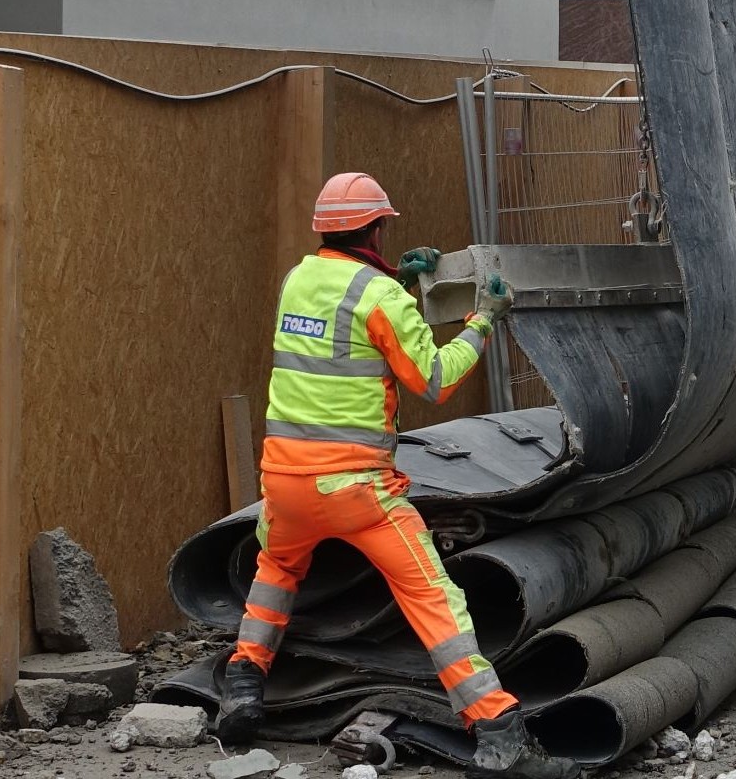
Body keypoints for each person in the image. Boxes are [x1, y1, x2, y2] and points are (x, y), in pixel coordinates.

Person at [215, 172, 518, 744]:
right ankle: (496, 727)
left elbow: (344, 321)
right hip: (357, 492)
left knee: (276, 571)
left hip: (282, 482)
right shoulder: (381, 298)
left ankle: (244, 681)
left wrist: (399, 280)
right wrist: (484, 322)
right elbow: (432, 378)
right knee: (433, 596)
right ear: (376, 228)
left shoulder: (296, 280)